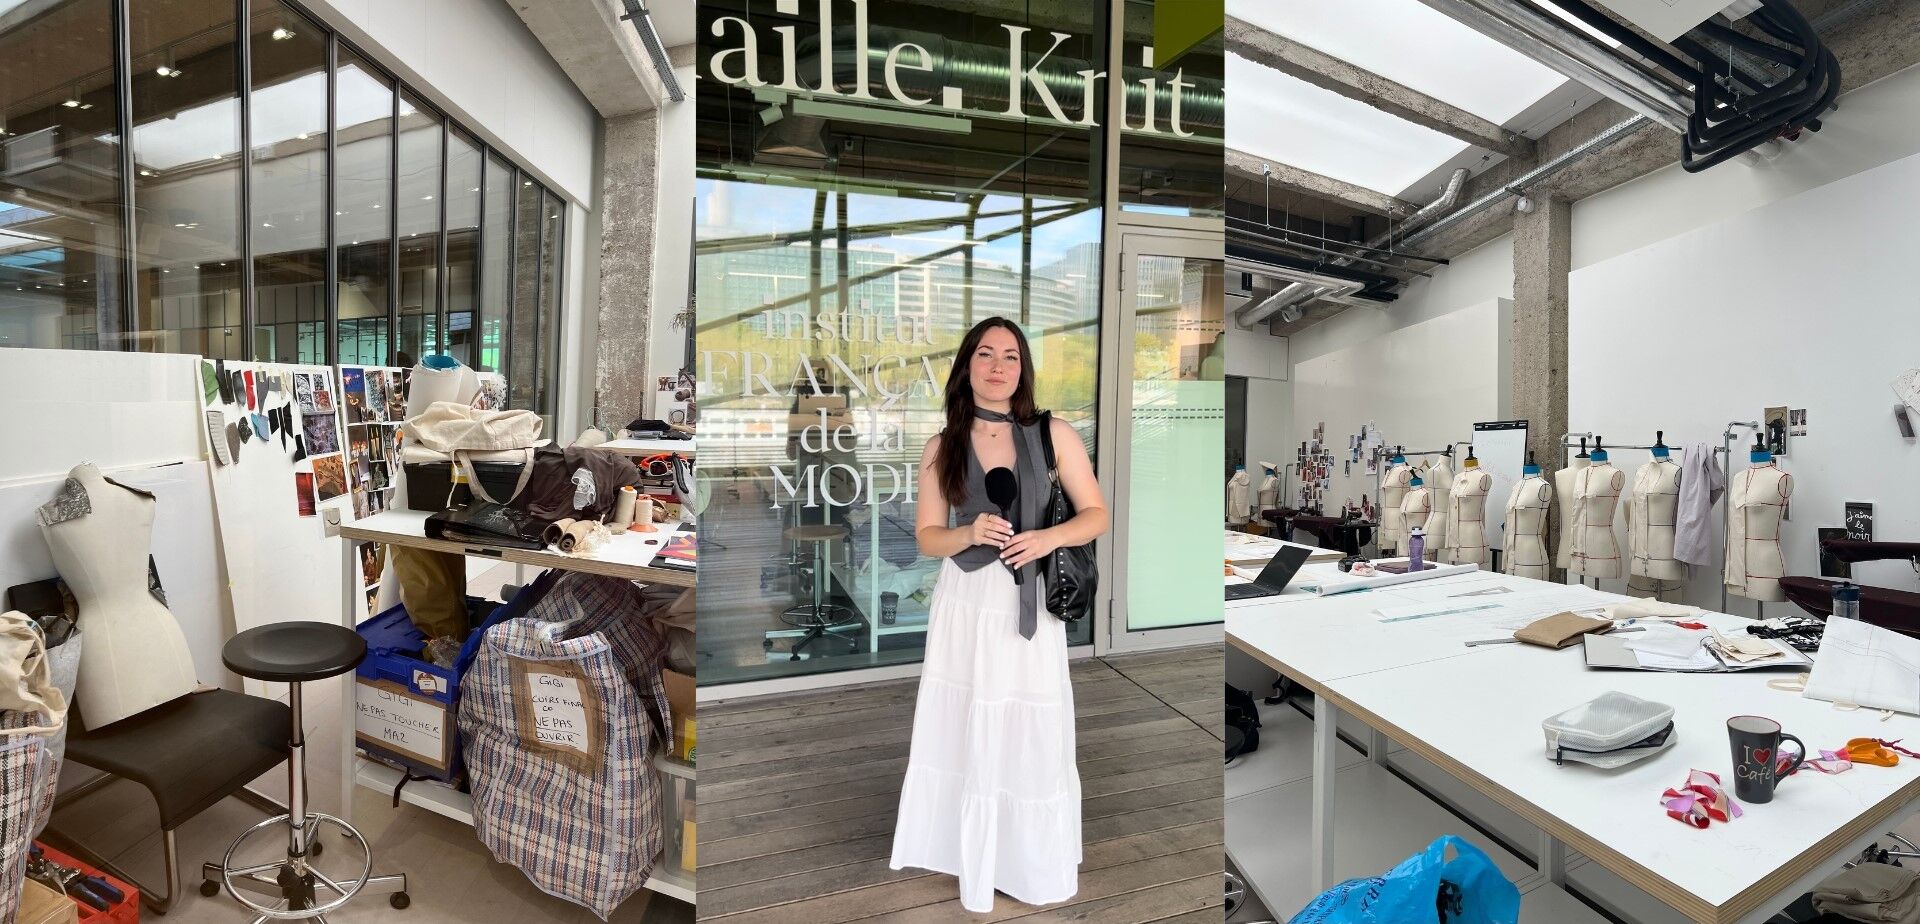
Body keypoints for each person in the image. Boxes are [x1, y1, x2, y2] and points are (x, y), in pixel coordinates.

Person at [888, 316, 1109, 912]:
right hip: (966, 604)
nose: (998, 366)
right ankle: (968, 851)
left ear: (1022, 368)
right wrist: (968, 532)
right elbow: (928, 538)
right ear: (967, 365)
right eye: (986, 354)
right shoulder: (943, 445)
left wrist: (1046, 539)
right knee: (967, 720)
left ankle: (1025, 857)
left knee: (1028, 723)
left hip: (1029, 602)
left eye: (1010, 356)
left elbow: (1096, 515)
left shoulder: (1051, 433)